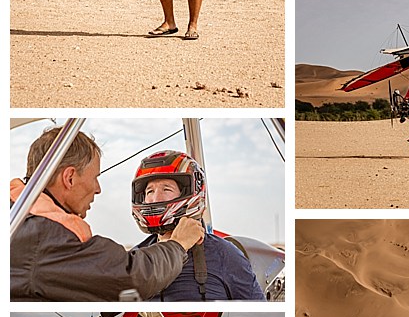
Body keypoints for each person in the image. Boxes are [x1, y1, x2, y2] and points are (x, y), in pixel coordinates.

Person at [10, 128, 204, 301]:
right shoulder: (47, 234)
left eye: (166, 189)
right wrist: (178, 244)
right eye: (95, 178)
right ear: (69, 178)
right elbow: (132, 277)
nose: (98, 189)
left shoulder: (17, 210)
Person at [131, 150, 267, 301]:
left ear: (189, 192)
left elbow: (261, 315)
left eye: (166, 189)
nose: (155, 198)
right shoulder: (136, 259)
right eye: (150, 191)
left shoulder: (224, 255)